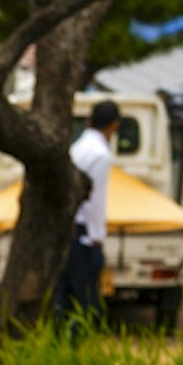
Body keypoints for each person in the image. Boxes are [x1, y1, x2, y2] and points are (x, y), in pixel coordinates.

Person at [60, 100, 118, 326]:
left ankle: (60, 344)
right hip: (84, 233)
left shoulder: (77, 148)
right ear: (115, 126)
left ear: (88, 121)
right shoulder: (100, 155)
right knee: (87, 303)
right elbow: (96, 200)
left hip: (68, 228)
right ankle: (75, 346)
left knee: (64, 297)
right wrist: (95, 237)